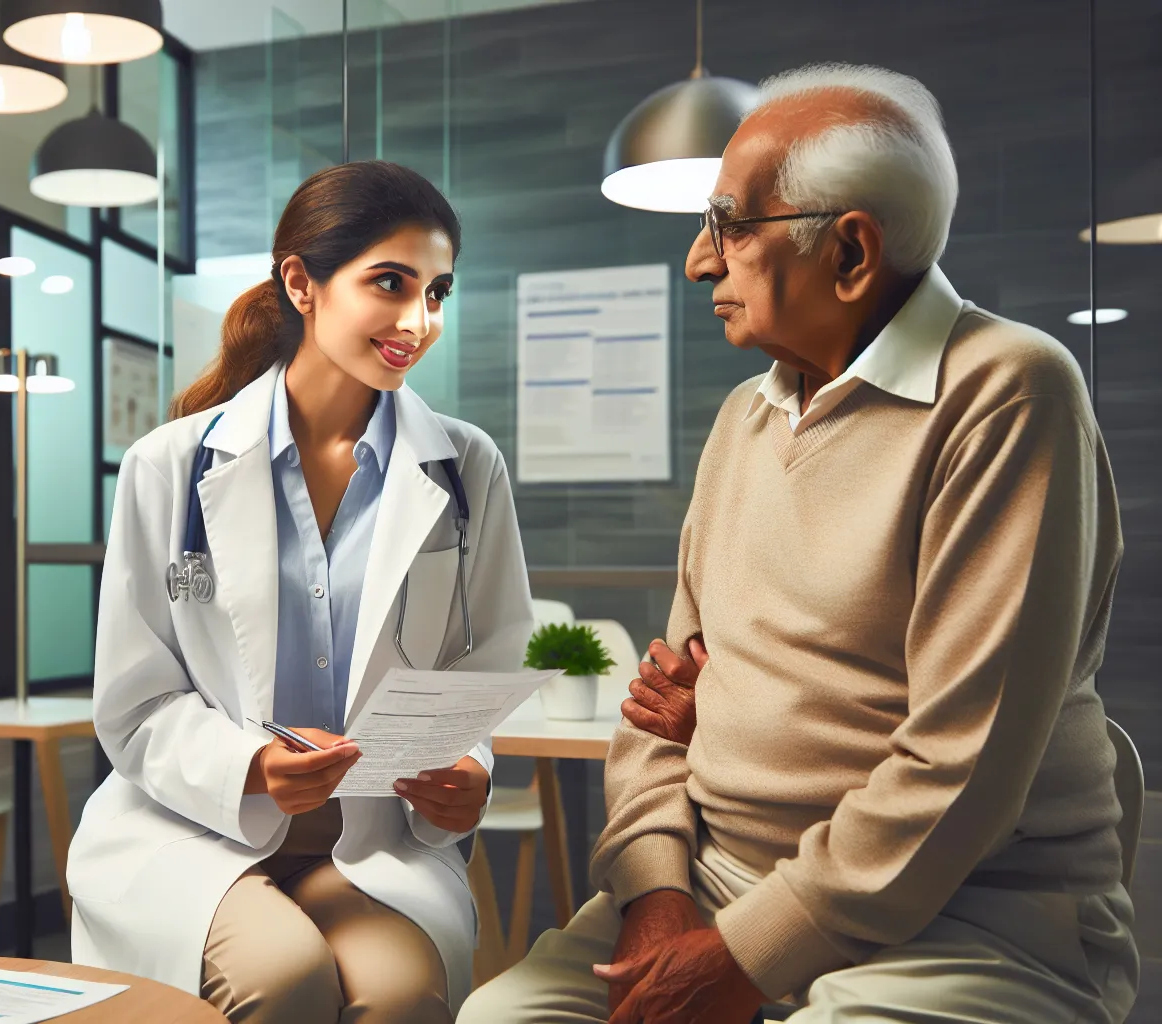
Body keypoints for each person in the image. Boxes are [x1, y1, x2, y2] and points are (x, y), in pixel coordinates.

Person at [459, 62, 1134, 1024]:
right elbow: (659, 711)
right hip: (712, 884)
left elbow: (961, 766)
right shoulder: (746, 414)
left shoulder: (1009, 391)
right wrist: (657, 897)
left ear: (850, 254)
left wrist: (740, 960)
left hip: (967, 923)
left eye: (728, 225)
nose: (698, 261)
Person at [71, 160, 536, 1023]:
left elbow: (486, 660)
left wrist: (469, 771)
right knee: (282, 980)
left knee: (401, 996)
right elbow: (133, 702)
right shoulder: (170, 465)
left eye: (437, 291)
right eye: (390, 284)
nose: (417, 321)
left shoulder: (469, 467)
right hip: (195, 826)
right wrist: (249, 767)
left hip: (371, 837)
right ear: (301, 282)